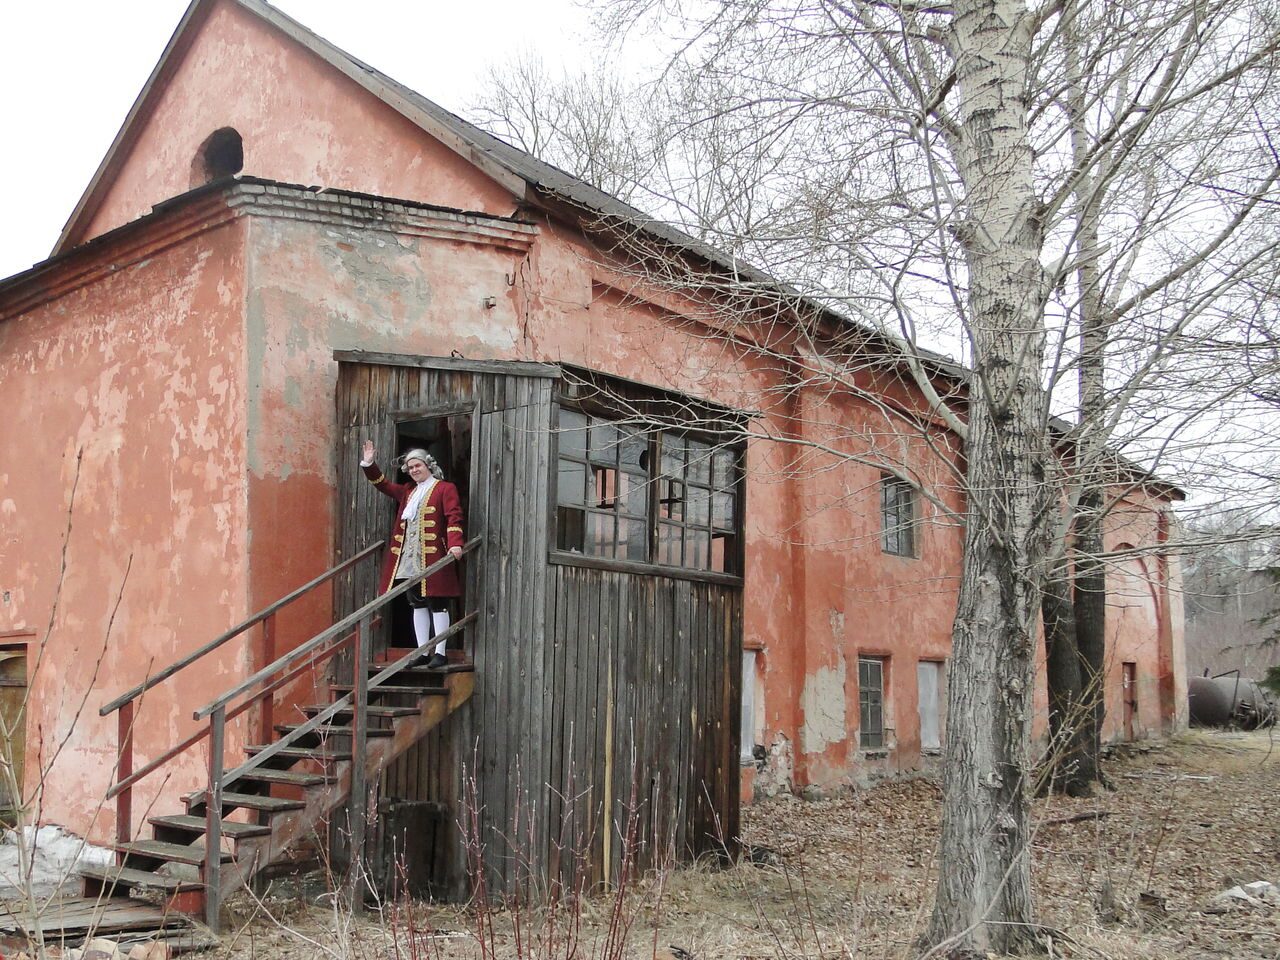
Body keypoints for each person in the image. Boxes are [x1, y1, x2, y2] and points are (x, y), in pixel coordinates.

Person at [360, 440, 464, 668]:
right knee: (416, 602)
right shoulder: (408, 491)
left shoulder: (445, 488)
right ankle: (423, 651)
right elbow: (383, 485)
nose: (415, 470)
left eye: (418, 465)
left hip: (435, 556)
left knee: (438, 603)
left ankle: (440, 651)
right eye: (411, 467)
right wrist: (369, 464)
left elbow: (453, 517)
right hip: (409, 557)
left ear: (428, 465)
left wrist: (456, 543)